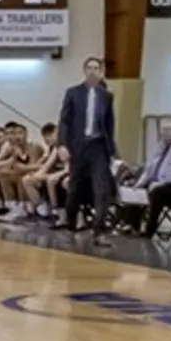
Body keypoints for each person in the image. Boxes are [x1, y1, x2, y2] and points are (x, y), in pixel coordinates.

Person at [58, 57, 117, 243]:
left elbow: (109, 125)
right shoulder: (73, 93)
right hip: (78, 146)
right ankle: (70, 223)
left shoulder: (106, 96)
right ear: (84, 71)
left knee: (102, 189)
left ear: (101, 72)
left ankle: (99, 230)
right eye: (89, 68)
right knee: (75, 188)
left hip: (98, 146)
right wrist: (62, 144)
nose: (92, 71)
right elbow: (64, 121)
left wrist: (112, 152)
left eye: (96, 68)